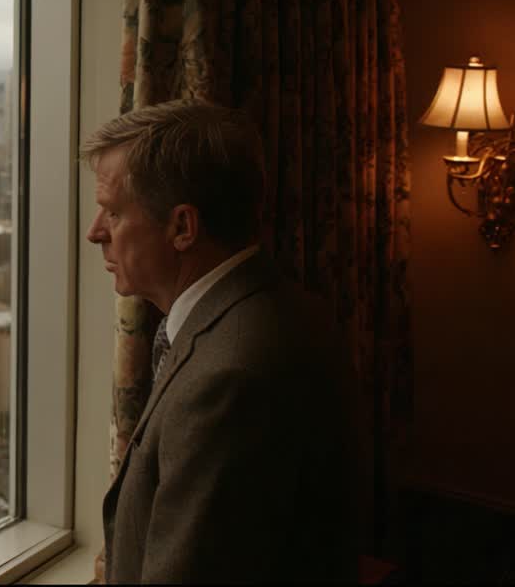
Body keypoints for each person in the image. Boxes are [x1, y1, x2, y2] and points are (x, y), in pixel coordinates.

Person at [84, 98, 358, 583]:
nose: (94, 233)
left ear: (183, 227)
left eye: (113, 212)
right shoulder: (273, 306)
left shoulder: (229, 378)